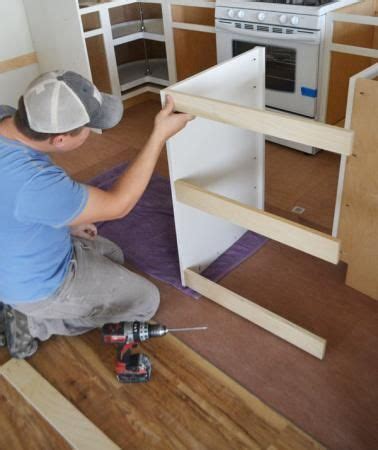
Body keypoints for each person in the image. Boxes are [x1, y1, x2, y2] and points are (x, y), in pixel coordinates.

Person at [0, 70, 192, 358]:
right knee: (145, 301)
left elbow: (12, 203)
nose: (93, 131)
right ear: (61, 140)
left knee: (112, 253)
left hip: (17, 251)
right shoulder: (35, 182)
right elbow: (118, 205)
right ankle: (35, 322)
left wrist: (67, 224)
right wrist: (158, 136)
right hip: (35, 285)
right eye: (89, 126)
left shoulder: (6, 119)